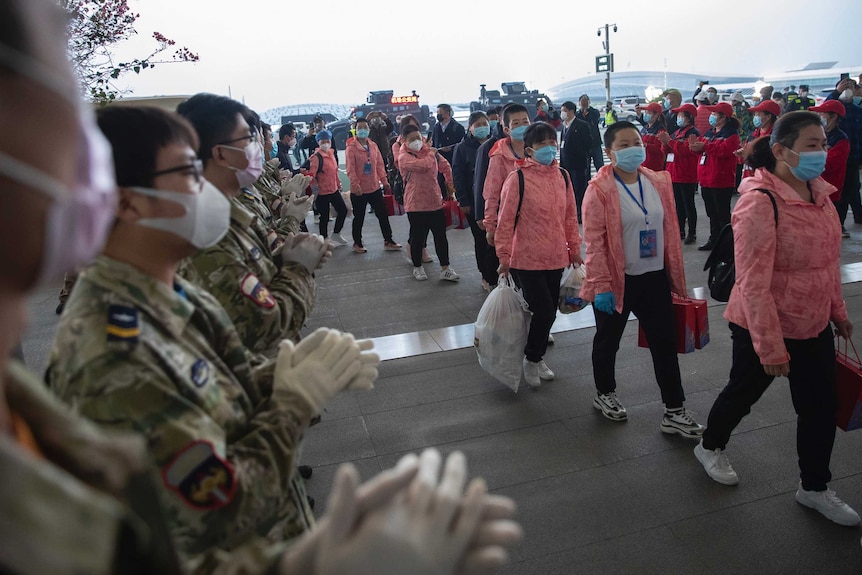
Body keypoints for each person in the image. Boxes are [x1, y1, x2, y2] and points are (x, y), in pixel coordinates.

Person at [45, 104, 347, 555]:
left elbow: (221, 391)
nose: (202, 186)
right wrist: (292, 401)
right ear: (126, 201)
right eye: (188, 172)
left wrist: (287, 374)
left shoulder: (168, 294)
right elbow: (217, 513)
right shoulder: (113, 354)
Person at [693, 112, 861, 528]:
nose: (820, 152)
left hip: (813, 321)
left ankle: (814, 487)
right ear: (782, 150)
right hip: (760, 323)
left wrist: (836, 312)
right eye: (810, 145)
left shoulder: (821, 195)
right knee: (742, 394)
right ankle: (710, 445)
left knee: (820, 407)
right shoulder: (759, 201)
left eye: (822, 143)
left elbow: (826, 263)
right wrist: (770, 345)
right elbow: (752, 282)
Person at [579, 122, 703, 436]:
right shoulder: (599, 189)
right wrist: (601, 285)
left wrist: (674, 275)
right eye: (623, 145)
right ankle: (604, 393)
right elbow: (593, 242)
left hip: (654, 278)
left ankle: (674, 410)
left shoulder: (657, 181)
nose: (633, 148)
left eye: (636, 141)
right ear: (609, 152)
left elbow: (669, 228)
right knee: (608, 341)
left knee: (665, 342)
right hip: (618, 279)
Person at [175, 93, 324, 355]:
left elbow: (260, 265)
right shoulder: (210, 231)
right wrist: (298, 267)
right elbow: (263, 329)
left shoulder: (229, 213)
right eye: (248, 138)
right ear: (220, 153)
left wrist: (288, 255)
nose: (256, 146)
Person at [495, 122, 582, 387]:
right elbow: (505, 220)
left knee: (548, 311)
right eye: (543, 144)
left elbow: (570, 216)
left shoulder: (563, 177)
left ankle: (536, 355)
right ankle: (532, 358)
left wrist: (574, 249)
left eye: (552, 142)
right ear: (530, 150)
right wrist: (504, 257)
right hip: (526, 258)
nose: (549, 148)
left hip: (555, 256)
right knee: (544, 310)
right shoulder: (518, 178)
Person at [398, 124, 459, 282]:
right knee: (418, 238)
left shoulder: (430, 152)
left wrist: (450, 183)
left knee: (440, 237)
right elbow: (422, 166)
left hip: (434, 202)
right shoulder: (404, 157)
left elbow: (445, 166)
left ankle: (445, 268)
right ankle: (417, 267)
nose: (417, 141)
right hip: (415, 204)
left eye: (418, 137)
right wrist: (432, 154)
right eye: (412, 139)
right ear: (404, 140)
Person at [453, 111, 497, 290]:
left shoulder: (496, 144)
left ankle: (499, 274)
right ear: (469, 128)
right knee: (482, 240)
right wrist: (464, 201)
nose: (481, 128)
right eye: (477, 125)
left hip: (495, 200)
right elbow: (458, 176)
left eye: (484, 124)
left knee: (496, 241)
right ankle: (486, 275)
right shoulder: (462, 148)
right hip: (475, 202)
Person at [689, 102, 742, 251]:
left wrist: (704, 146)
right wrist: (695, 148)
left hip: (721, 180)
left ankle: (727, 244)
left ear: (723, 117)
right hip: (706, 179)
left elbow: (725, 151)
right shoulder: (709, 133)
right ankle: (714, 240)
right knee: (712, 213)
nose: (711, 116)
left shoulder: (731, 134)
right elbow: (702, 149)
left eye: (714, 114)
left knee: (722, 214)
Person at [345, 118, 402, 253]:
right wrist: (355, 184)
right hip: (358, 190)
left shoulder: (373, 145)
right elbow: (350, 169)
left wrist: (384, 180)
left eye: (365, 127)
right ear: (356, 130)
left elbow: (380, 165)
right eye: (360, 128)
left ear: (369, 129)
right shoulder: (351, 148)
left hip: (374, 187)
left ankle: (388, 240)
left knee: (383, 214)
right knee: (359, 217)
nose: (363, 130)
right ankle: (357, 243)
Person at [482, 104, 531, 249]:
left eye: (525, 122)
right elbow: (492, 192)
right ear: (507, 129)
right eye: (516, 123)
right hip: (512, 221)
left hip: (541, 220)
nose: (522, 126)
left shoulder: (539, 150)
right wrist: (490, 224)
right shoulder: (499, 156)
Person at [658, 103, 701, 245]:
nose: (678, 117)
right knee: (678, 204)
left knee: (688, 203)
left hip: (686, 173)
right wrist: (665, 143)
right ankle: (680, 230)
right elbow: (665, 151)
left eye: (681, 115)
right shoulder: (677, 133)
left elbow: (686, 151)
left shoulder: (693, 133)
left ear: (688, 117)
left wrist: (669, 142)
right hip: (674, 172)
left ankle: (692, 233)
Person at [810, 100, 851, 236]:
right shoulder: (819, 135)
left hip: (830, 190)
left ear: (834, 116)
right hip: (815, 187)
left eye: (822, 113)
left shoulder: (841, 139)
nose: (819, 116)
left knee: (829, 229)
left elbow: (828, 164)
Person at [827, 78, 862, 230]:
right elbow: (825, 107)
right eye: (844, 87)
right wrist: (837, 92)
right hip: (836, 158)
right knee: (836, 192)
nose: (848, 90)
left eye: (851, 87)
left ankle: (840, 223)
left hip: (853, 157)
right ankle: (836, 223)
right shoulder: (834, 111)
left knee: (849, 190)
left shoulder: (858, 111)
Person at [305, 129, 348, 245]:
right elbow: (311, 176)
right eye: (323, 141)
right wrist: (315, 191)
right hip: (322, 193)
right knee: (324, 217)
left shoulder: (331, 154)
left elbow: (334, 172)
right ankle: (324, 239)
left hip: (333, 190)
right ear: (318, 142)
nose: (326, 143)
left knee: (343, 211)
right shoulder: (316, 157)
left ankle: (336, 233)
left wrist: (338, 184)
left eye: (328, 140)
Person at [558, 100, 593, 220]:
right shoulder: (564, 126)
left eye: (564, 111)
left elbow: (588, 144)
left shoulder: (581, 125)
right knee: (570, 188)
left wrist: (581, 155)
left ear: (571, 111)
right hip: (566, 163)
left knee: (579, 189)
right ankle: (572, 211)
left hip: (578, 163)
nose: (562, 113)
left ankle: (580, 213)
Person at [576, 95, 604, 175]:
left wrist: (587, 112)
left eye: (586, 100)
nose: (584, 102)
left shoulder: (594, 112)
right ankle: (586, 185)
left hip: (595, 143)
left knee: (599, 165)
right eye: (582, 100)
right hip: (583, 145)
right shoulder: (577, 114)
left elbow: (595, 120)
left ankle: (602, 181)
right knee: (585, 168)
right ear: (579, 102)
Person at [636, 102, 668, 172]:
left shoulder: (660, 130)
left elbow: (660, 149)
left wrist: (646, 145)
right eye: (645, 112)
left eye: (648, 113)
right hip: (643, 165)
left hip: (654, 167)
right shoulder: (645, 128)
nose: (645, 115)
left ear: (656, 115)